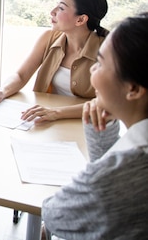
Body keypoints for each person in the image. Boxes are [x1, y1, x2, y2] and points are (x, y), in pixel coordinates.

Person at [41, 12, 148, 239]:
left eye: (99, 63)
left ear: (134, 89)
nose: (91, 70)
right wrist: (101, 135)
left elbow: (54, 214)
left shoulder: (129, 170)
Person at [0, 0, 109, 124]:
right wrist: (2, 91)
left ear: (81, 19)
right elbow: (21, 76)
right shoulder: (49, 37)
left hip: (88, 124)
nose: (52, 12)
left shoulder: (108, 50)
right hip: (47, 119)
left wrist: (56, 113)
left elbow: (107, 103)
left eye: (61, 8)